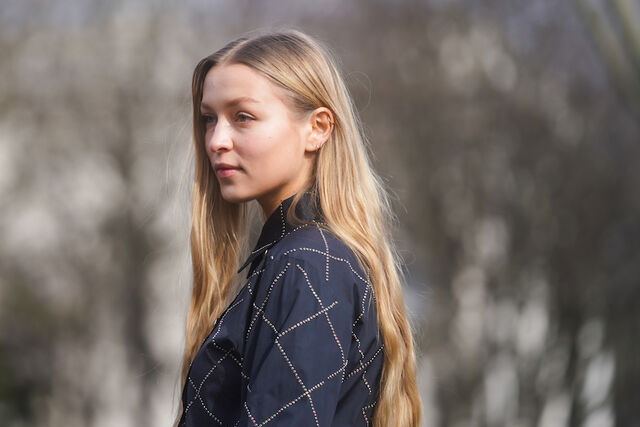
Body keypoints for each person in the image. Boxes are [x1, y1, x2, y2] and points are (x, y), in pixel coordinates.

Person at [175, 30, 421, 427]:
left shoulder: (307, 264)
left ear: (318, 128)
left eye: (243, 117)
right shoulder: (299, 258)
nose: (216, 140)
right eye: (209, 119)